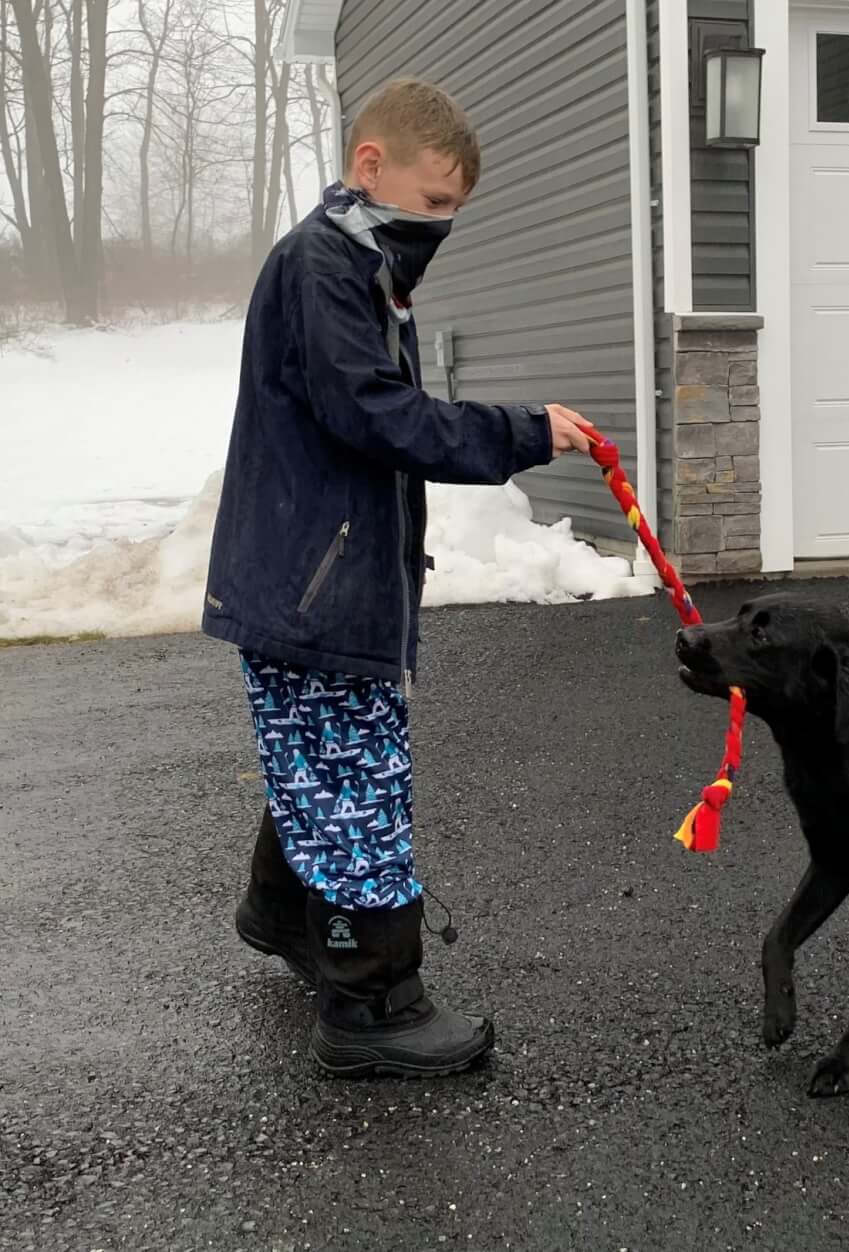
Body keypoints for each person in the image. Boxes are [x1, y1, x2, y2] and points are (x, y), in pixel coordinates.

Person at [202, 77, 592, 1077]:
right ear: (369, 166)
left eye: (453, 211)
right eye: (433, 204)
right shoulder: (324, 267)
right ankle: (371, 1005)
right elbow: (373, 414)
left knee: (319, 767)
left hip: (313, 578)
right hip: (313, 587)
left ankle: (285, 917)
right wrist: (521, 431)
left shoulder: (360, 264)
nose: (441, 227)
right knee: (356, 786)